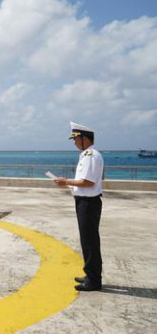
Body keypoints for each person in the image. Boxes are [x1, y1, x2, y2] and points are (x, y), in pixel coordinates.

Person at [54, 122, 105, 292]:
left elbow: (87, 182)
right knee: (87, 240)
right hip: (84, 202)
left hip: (88, 203)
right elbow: (83, 182)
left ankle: (94, 280)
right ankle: (90, 274)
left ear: (84, 139)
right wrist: (68, 183)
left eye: (76, 139)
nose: (74, 142)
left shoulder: (90, 155)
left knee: (90, 241)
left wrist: (65, 181)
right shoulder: (86, 155)